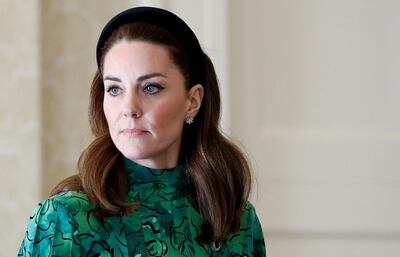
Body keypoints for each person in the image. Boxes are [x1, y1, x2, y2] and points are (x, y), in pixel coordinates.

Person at [18, 6, 266, 257]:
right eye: (115, 89)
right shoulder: (64, 219)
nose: (129, 109)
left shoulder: (239, 220)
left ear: (192, 101)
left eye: (150, 88)